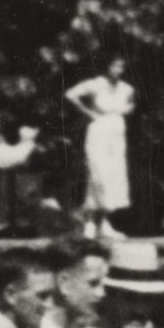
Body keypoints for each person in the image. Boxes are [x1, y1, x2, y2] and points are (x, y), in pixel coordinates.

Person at [67, 66, 135, 232]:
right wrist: (89, 112)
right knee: (98, 174)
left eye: (120, 67)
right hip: (99, 130)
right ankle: (89, 220)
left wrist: (127, 108)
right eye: (114, 66)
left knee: (114, 176)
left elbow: (130, 106)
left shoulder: (127, 88)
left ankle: (104, 222)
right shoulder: (96, 84)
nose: (117, 70)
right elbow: (71, 94)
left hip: (117, 133)